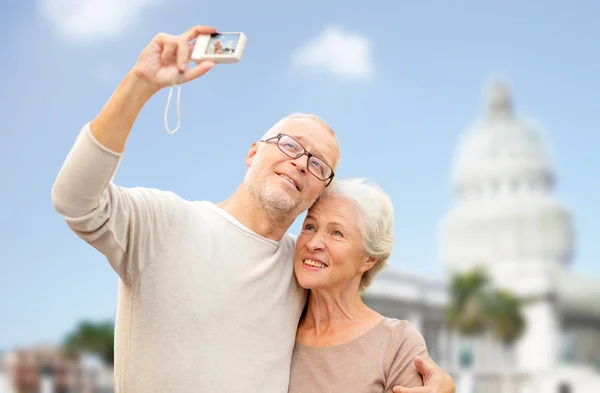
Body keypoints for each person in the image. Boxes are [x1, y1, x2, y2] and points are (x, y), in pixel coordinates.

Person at [51, 24, 456, 393]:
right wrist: (139, 85)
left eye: (318, 164)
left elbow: (356, 332)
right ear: (252, 151)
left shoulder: (301, 272)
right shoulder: (164, 221)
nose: (300, 161)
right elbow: (74, 199)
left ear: (318, 193)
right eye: (290, 144)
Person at [288, 178, 428, 392]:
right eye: (310, 226)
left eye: (337, 233)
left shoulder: (397, 344)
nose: (313, 243)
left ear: (369, 259)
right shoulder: (278, 323)